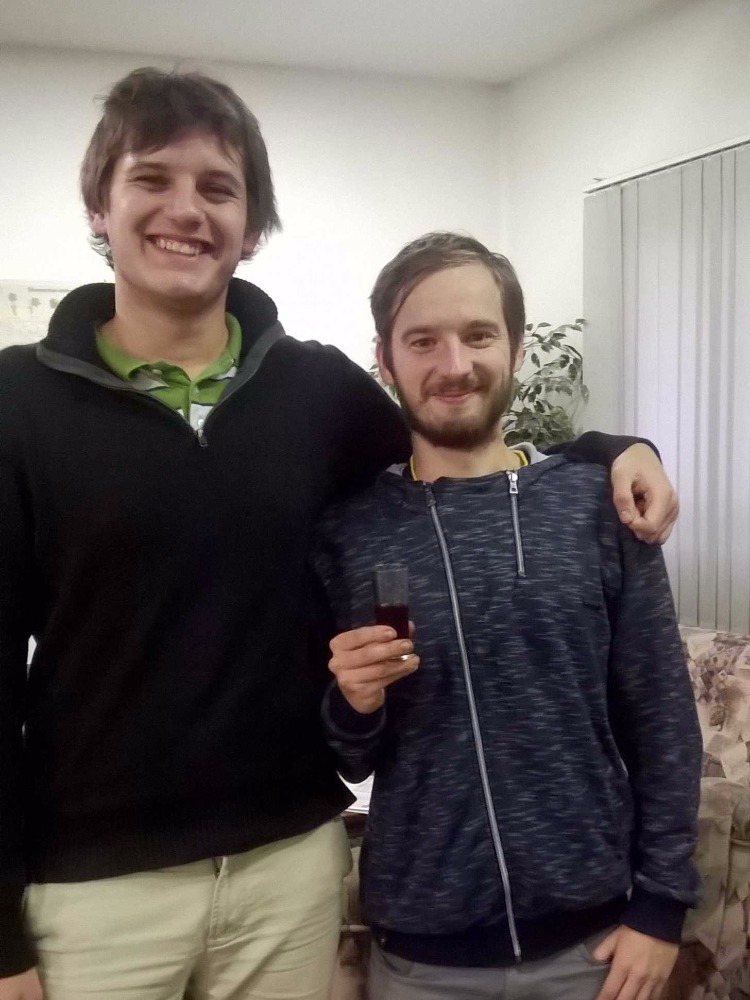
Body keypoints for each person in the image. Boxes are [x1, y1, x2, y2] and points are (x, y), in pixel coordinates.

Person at [0, 68, 677, 1000]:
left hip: (290, 868)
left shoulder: (315, 391)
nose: (186, 210)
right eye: (151, 178)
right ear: (99, 205)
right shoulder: (15, 404)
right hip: (96, 887)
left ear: (251, 224)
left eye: (218, 187)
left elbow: (456, 437)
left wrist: (613, 451)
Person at [315, 232, 702, 1000]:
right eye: (423, 341)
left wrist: (662, 907)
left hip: (598, 947)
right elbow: (347, 757)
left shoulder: (599, 506)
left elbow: (662, 717)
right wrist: (353, 702)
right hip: (421, 957)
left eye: (479, 334)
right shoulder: (346, 532)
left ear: (517, 348)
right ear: (385, 360)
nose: (455, 364)